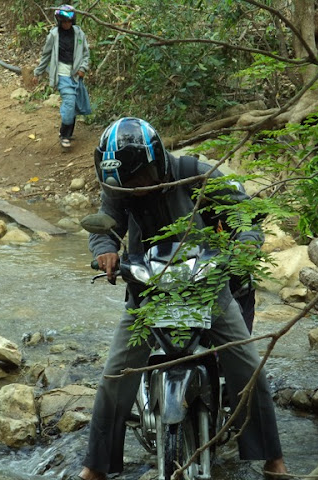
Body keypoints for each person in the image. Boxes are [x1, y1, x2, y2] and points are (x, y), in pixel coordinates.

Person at [77, 117, 289, 480]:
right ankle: (96, 465)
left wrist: (245, 245)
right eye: (125, 183)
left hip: (206, 285)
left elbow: (245, 215)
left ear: (157, 160)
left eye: (140, 178)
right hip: (148, 287)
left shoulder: (195, 174)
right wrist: (105, 249)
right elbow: (105, 224)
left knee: (246, 364)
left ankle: (273, 459)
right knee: (115, 373)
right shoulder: (119, 185)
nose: (133, 188)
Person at [33, 5, 90, 148]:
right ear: (59, 21)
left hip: (76, 75)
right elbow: (46, 55)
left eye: (69, 21)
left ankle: (67, 134)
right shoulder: (53, 35)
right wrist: (38, 72)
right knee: (70, 102)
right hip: (62, 75)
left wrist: (83, 68)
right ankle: (64, 135)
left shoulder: (78, 34)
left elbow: (85, 54)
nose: (66, 24)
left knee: (75, 104)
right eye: (64, 22)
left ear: (73, 21)